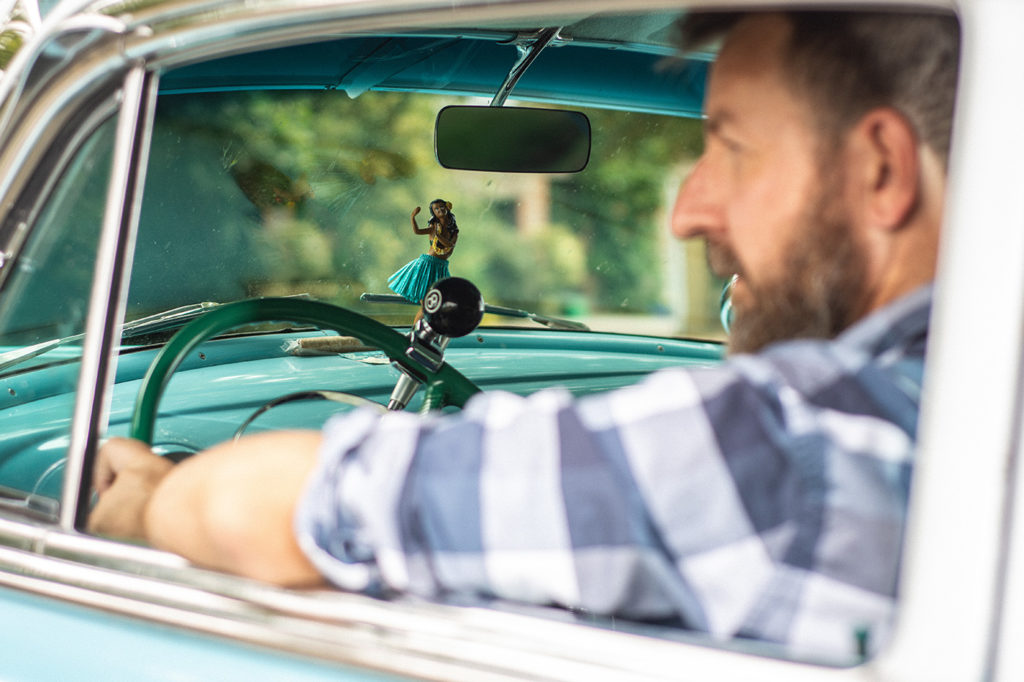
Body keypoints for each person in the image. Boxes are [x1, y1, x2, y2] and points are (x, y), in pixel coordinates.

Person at [88, 10, 959, 659]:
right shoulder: (955, 410)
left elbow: (274, 511)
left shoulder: (798, 447)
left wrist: (150, 498)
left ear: (878, 168)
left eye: (731, 147)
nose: (688, 212)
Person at [387, 199, 459, 306]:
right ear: (433, 212)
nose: (440, 210)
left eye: (442, 207)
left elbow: (450, 245)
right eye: (436, 209)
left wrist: (438, 236)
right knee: (426, 300)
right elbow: (417, 231)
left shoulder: (453, 231)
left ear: (447, 207)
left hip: (441, 267)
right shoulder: (434, 227)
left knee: (438, 301)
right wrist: (412, 217)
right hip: (428, 265)